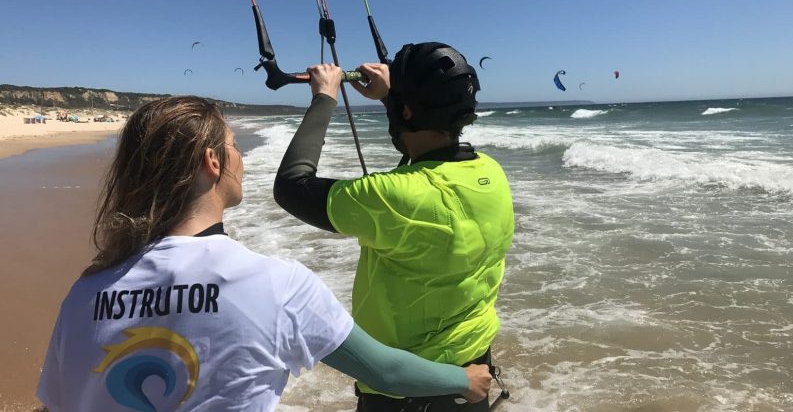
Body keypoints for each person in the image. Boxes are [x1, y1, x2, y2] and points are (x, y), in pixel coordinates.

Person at [36, 96, 492, 411]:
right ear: (212, 162)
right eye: (233, 146)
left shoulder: (87, 290)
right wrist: (464, 380)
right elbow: (387, 372)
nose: (241, 158)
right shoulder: (275, 284)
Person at [273, 42, 515, 411]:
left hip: (408, 390)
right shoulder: (490, 172)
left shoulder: (390, 197)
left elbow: (291, 186)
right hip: (474, 374)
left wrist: (325, 97)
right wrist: (395, 102)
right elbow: (424, 166)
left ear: (407, 109)